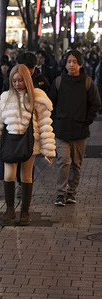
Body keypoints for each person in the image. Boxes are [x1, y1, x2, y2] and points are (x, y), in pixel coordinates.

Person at [0, 64, 56, 225]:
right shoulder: (5, 98)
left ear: (27, 80)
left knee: (26, 176)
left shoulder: (37, 98)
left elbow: (45, 124)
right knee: (9, 175)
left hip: (29, 144)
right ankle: (10, 209)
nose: (18, 84)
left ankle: (24, 212)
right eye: (15, 81)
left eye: (21, 80)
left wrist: (48, 149)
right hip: (10, 143)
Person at [48, 50, 101, 207]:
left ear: (81, 64)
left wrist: (86, 121)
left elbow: (95, 104)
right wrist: (55, 120)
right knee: (63, 161)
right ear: (65, 63)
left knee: (76, 164)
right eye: (69, 61)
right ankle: (60, 193)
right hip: (62, 129)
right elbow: (51, 103)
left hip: (79, 131)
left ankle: (72, 192)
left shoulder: (87, 82)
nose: (71, 64)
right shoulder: (58, 81)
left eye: (74, 62)